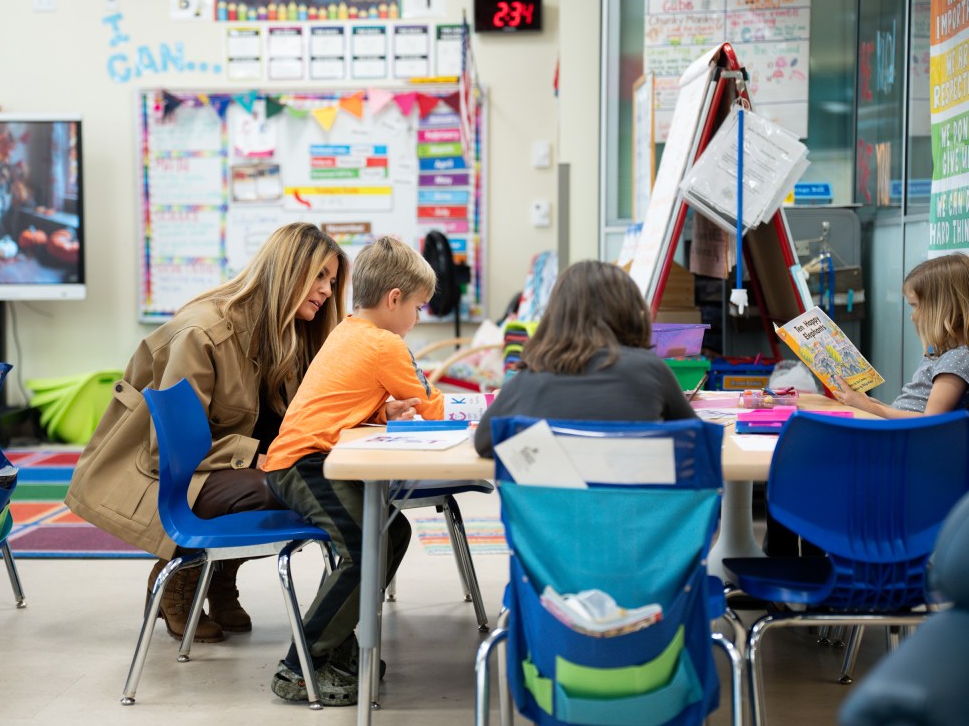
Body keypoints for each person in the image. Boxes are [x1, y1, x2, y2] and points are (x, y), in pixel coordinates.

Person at [68, 223, 394, 644]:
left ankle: (221, 580)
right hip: (170, 473)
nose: (328, 290)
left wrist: (379, 409)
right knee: (285, 484)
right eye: (318, 276)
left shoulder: (286, 332)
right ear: (286, 271)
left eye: (332, 280)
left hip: (221, 466)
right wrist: (255, 457)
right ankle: (180, 582)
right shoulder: (203, 332)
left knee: (298, 474)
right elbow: (168, 448)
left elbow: (306, 413)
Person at [263, 235, 443, 706]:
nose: (417, 319)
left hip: (313, 458)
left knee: (390, 531)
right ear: (394, 299)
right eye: (419, 308)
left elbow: (344, 402)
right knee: (365, 546)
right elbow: (433, 407)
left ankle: (340, 645)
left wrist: (385, 414)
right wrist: (486, 409)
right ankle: (299, 667)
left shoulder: (348, 329)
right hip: (303, 464)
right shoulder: (384, 343)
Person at [475, 259, 694, 457]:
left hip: (550, 502)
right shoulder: (651, 370)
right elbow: (696, 441)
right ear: (631, 313)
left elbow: (483, 443)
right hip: (636, 501)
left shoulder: (528, 379)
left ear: (555, 318)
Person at [834, 253, 969, 417]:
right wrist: (869, 403)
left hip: (908, 439)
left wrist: (871, 408)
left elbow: (930, 420)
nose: (913, 316)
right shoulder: (941, 353)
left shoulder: (957, 359)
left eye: (915, 306)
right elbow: (909, 408)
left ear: (943, 307)